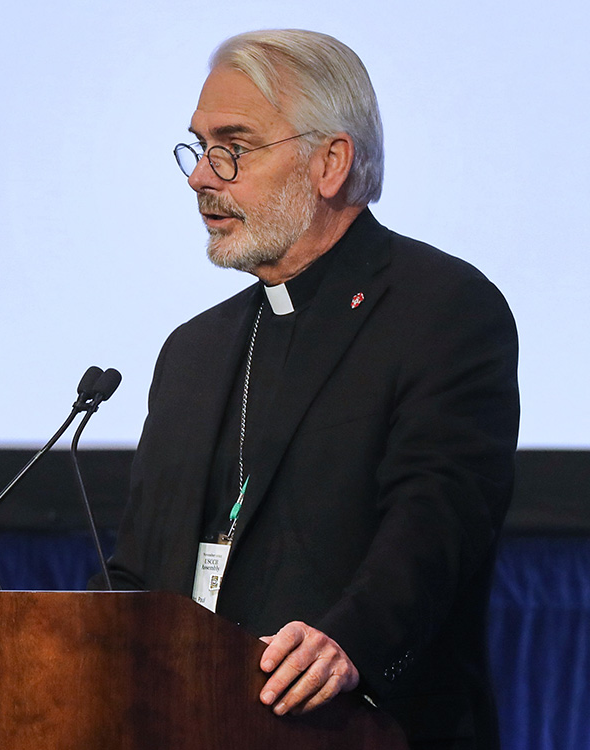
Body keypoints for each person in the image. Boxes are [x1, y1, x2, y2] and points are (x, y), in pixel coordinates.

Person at [96, 29, 520, 750]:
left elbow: (438, 518)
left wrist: (347, 640)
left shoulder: (440, 309)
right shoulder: (193, 352)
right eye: (198, 147)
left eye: (233, 145)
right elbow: (142, 567)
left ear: (330, 162)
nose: (202, 176)